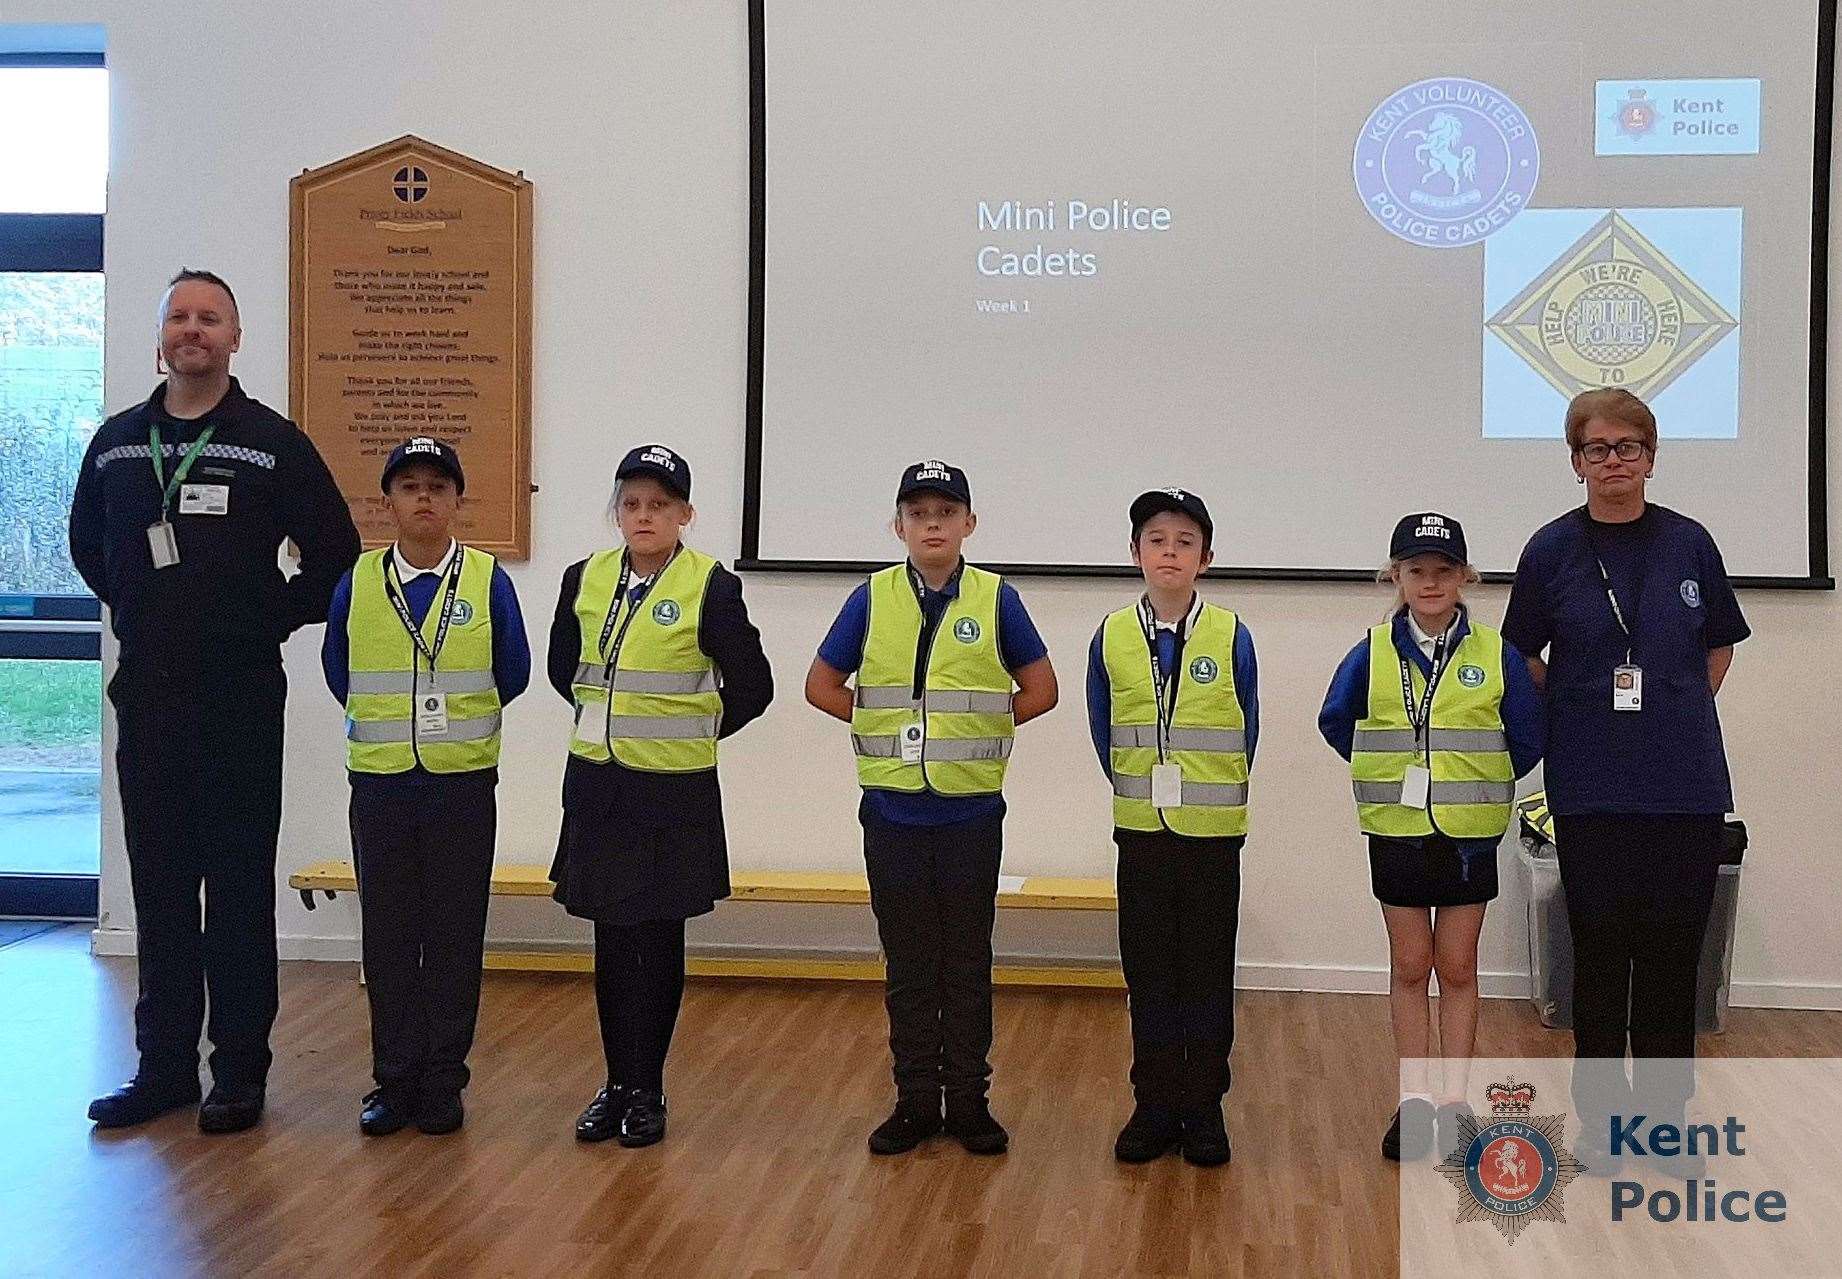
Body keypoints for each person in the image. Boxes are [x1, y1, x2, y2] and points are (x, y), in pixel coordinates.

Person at [68, 270, 360, 1132]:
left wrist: (260, 612)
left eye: (211, 318)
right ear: (160, 339)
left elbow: (335, 555)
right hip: (148, 699)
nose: (194, 331)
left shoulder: (271, 442)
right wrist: (141, 601)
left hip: (237, 700)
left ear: (236, 339)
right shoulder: (119, 443)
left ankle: (238, 1070)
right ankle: (162, 1068)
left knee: (234, 888)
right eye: (180, 318)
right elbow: (91, 545)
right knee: (158, 890)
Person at [1501, 389, 1747, 1162]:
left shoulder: (1691, 543)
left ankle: (1666, 1121)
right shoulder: (1550, 551)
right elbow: (1524, 657)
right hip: (1589, 790)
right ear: (1576, 462)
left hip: (1685, 790)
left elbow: (1717, 648)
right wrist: (1589, 712)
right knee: (1601, 962)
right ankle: (1605, 1124)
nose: (1615, 461)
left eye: (1629, 447)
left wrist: (1664, 713)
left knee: (1675, 963)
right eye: (1598, 448)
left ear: (1651, 456)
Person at [805, 460, 1058, 1156]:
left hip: (971, 816)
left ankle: (970, 1103)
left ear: (969, 523)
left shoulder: (996, 598)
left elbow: (1041, 688)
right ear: (899, 526)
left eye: (947, 512)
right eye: (919, 514)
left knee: (967, 961)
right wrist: (882, 728)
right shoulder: (872, 597)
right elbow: (821, 683)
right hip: (893, 814)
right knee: (910, 964)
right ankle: (915, 1100)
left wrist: (979, 729)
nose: (933, 524)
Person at [549, 444, 773, 1147]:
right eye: (633, 503)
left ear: (685, 514)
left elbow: (754, 687)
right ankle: (614, 1083)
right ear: (617, 511)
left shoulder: (712, 586)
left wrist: (690, 733)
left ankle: (649, 1087)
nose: (645, 516)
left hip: (672, 797)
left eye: (660, 505)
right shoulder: (583, 579)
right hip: (599, 788)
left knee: (658, 941)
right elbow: (565, 670)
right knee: (611, 943)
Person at [320, 437, 530, 1136]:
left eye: (438, 487)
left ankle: (443, 1080)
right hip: (380, 784)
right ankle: (392, 1080)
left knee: (452, 936)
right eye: (408, 486)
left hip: (461, 784)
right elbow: (337, 670)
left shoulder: (485, 578)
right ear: (388, 503)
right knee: (386, 938)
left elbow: (516, 669)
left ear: (458, 502)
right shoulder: (356, 579)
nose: (424, 498)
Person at [1319, 513, 1542, 1161]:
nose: (1431, 582)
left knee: (1460, 966)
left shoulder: (1492, 652)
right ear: (1396, 575)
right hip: (1397, 831)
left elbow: (1527, 736)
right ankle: (1414, 1097)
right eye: (1416, 570)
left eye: (1445, 571)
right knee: (1411, 965)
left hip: (1468, 836)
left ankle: (1455, 1101)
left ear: (1465, 576)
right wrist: (1384, 773)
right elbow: (1336, 722)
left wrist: (1475, 780)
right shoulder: (1372, 649)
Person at [1086, 488, 1257, 1167]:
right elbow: (1104, 732)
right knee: (1150, 973)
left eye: (1185, 542)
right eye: (1157, 539)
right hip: (1141, 832)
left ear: (1206, 559)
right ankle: (1153, 1103)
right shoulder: (1110, 635)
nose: (1169, 552)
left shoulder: (1231, 634)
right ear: (1135, 552)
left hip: (1213, 836)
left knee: (1207, 973)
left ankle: (1204, 1107)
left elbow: (1250, 727)